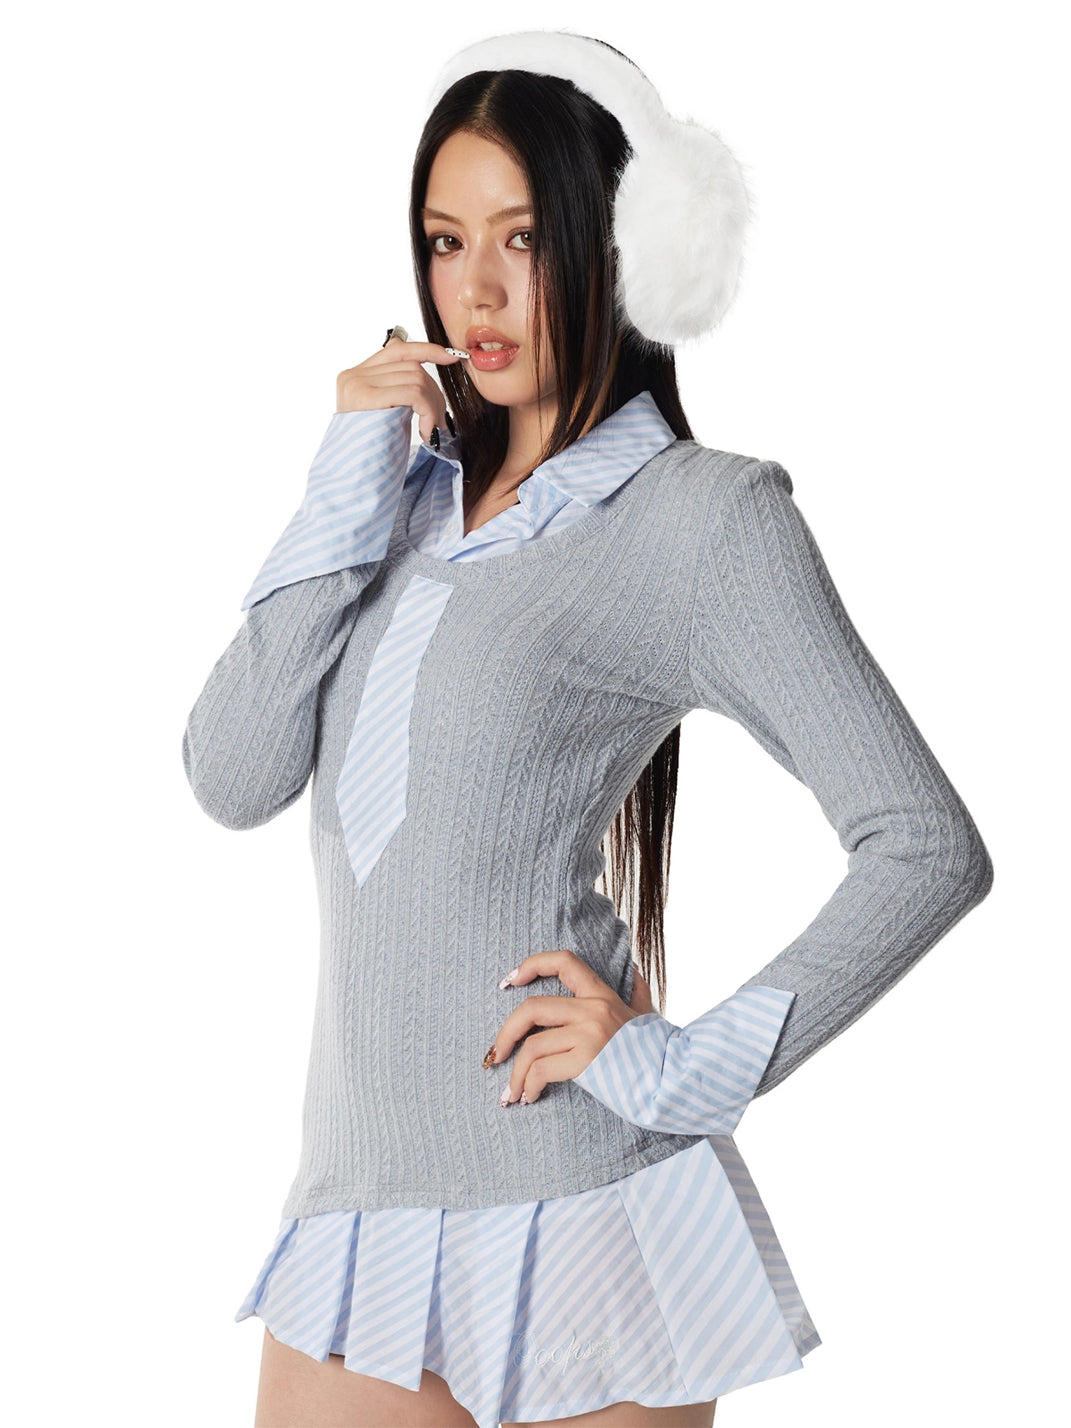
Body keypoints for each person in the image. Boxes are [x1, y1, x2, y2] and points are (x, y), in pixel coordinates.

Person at [181, 29, 994, 1428]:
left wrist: (684, 1067)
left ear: (622, 250)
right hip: (359, 1209)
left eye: (523, 238)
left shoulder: (701, 519)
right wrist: (343, 472)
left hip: (587, 1213)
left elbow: (926, 845)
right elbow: (232, 772)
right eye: (445, 242)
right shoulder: (398, 504)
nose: (477, 289)